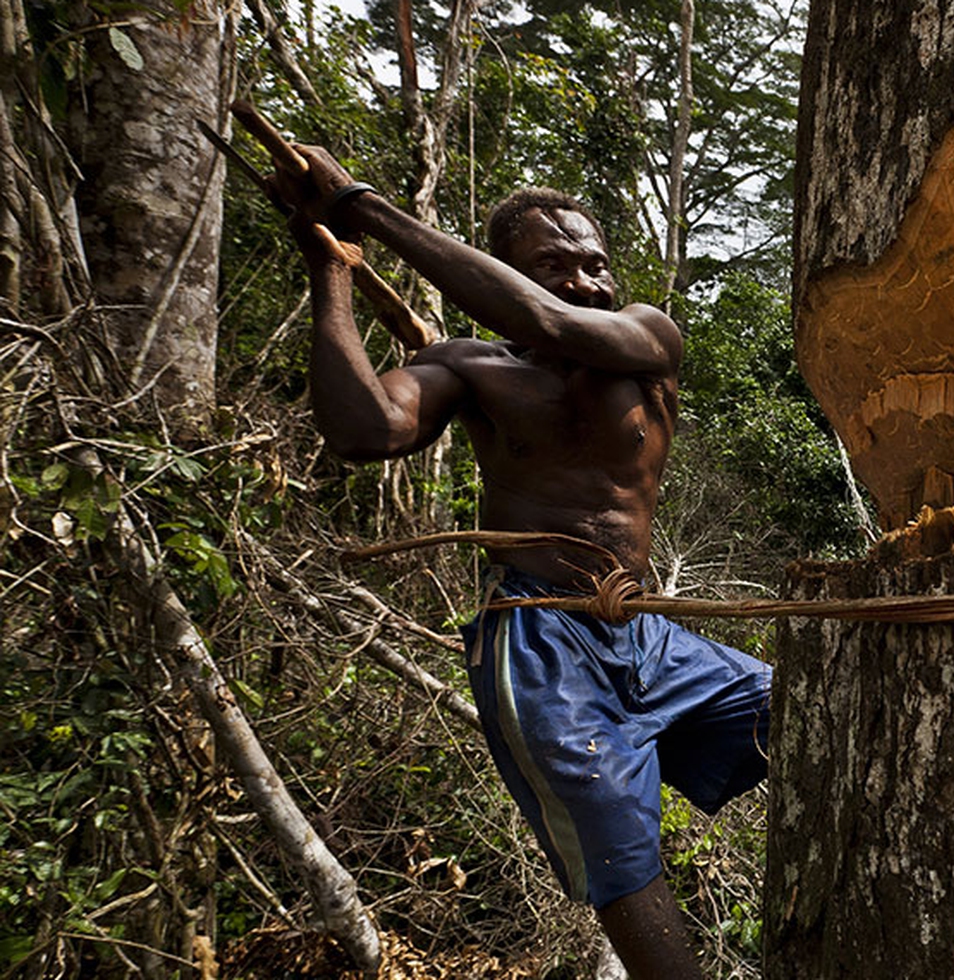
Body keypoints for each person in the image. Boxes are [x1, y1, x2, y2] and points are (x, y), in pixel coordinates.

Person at [268, 146, 771, 980]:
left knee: (800, 712)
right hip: (539, 640)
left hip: (642, 631)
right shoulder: (470, 366)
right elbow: (365, 431)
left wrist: (363, 204)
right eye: (551, 266)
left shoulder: (646, 337)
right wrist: (334, 270)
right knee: (616, 846)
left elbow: (552, 324)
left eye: (593, 265)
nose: (582, 283)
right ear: (501, 275)